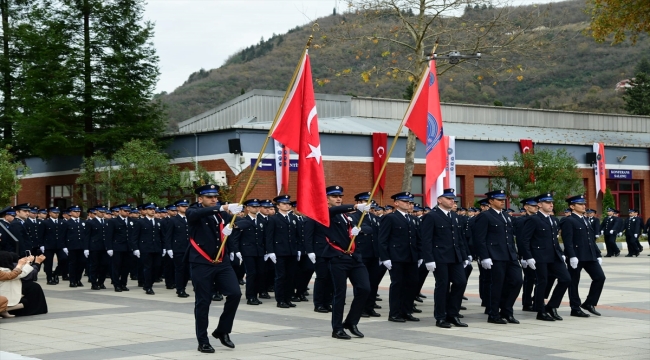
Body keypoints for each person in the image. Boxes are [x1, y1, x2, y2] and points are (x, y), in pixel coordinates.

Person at [187, 184, 243, 352]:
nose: (214, 200)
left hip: (221, 262)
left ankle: (222, 330)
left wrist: (233, 225)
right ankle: (202, 340)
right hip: (201, 263)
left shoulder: (221, 214)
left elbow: (245, 222)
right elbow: (196, 214)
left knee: (235, 293)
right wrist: (223, 207)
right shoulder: (193, 211)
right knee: (204, 301)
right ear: (200, 199)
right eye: (209, 197)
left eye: (215, 197)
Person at [320, 185, 371, 339]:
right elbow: (333, 211)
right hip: (338, 258)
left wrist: (360, 230)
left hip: (354, 258)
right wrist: (355, 206)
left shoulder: (349, 216)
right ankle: (337, 328)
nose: (338, 199)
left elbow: (369, 227)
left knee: (364, 289)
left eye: (340, 196)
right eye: (334, 196)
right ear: (327, 199)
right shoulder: (326, 213)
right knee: (340, 294)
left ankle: (351, 321)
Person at [419, 188, 469, 328]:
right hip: (439, 257)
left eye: (453, 199)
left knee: (460, 282)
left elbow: (459, 239)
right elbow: (426, 239)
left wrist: (464, 256)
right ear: (439, 200)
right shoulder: (432, 216)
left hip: (455, 257)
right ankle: (441, 317)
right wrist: (428, 259)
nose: (452, 201)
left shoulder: (454, 216)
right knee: (443, 286)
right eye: (448, 198)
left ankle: (453, 314)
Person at [519, 193, 571, 322]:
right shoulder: (534, 219)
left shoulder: (553, 219)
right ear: (540, 204)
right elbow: (525, 240)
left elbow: (555, 240)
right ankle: (540, 310)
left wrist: (561, 253)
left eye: (551, 202)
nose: (551, 205)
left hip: (554, 256)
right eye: (548, 203)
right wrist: (528, 257)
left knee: (566, 279)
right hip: (539, 256)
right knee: (542, 282)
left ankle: (552, 306)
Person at [474, 190, 523, 324]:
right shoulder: (485, 216)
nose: (503, 201)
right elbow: (480, 238)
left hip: (510, 255)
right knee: (496, 285)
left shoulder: (506, 216)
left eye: (503, 199)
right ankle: (493, 314)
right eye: (499, 199)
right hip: (495, 256)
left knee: (517, 281)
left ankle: (507, 310)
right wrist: (484, 257)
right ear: (490, 201)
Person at [378, 191, 421, 323]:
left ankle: (406, 311)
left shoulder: (413, 219)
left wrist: (420, 255)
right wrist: (385, 257)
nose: (408, 204)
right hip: (396, 257)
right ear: (396, 203)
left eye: (409, 202)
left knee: (412, 284)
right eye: (405, 202)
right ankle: (395, 313)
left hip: (411, 257)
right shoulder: (390, 217)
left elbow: (417, 239)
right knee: (398, 285)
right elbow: (382, 239)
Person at [560, 195, 606, 318]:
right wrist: (571, 256)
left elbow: (590, 239)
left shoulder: (585, 219)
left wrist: (598, 254)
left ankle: (589, 303)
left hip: (590, 255)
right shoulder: (568, 220)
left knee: (600, 277)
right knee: (573, 282)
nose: (584, 206)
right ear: (572, 206)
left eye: (584, 204)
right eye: (580, 204)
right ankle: (575, 308)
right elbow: (567, 241)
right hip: (577, 256)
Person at [265, 195, 300, 308]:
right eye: (284, 204)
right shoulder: (273, 218)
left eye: (288, 204)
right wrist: (270, 251)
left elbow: (296, 236)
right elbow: (269, 236)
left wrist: (298, 249)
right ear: (278, 206)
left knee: (291, 276)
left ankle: (288, 298)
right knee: (281, 276)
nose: (287, 205)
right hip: (279, 252)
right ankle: (280, 300)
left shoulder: (294, 218)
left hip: (292, 251)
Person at [350, 191, 382, 317]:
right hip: (361, 254)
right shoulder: (353, 216)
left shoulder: (374, 217)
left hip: (374, 254)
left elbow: (379, 235)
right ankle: (360, 308)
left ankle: (370, 307)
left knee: (373, 283)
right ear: (358, 203)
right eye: (364, 201)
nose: (368, 204)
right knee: (362, 284)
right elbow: (362, 230)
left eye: (369, 201)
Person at [231, 199, 265, 305]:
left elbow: (265, 237)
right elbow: (235, 238)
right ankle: (250, 296)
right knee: (251, 274)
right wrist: (236, 251)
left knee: (260, 274)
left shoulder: (262, 221)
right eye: (253, 207)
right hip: (247, 251)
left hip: (259, 251)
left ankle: (256, 294)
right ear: (248, 208)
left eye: (257, 207)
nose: (256, 208)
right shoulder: (242, 221)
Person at [130, 203, 164, 295]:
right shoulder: (140, 222)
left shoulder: (158, 222)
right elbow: (134, 236)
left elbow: (162, 236)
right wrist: (135, 248)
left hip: (157, 248)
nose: (152, 211)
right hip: (145, 248)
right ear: (145, 211)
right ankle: (148, 286)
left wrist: (164, 248)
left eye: (153, 209)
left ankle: (149, 283)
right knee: (147, 268)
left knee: (157, 267)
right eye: (150, 209)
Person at [0, 251, 48, 316]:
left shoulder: (5, 269)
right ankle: (4, 310)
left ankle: (4, 311)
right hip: (4, 297)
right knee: (24, 301)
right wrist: (26, 263)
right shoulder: (4, 270)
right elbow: (16, 274)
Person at [163, 199, 191, 297]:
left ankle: (183, 287)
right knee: (180, 270)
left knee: (187, 270)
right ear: (178, 208)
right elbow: (168, 235)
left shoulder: (190, 218)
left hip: (189, 248)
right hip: (178, 248)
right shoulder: (173, 220)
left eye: (186, 206)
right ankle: (180, 289)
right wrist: (169, 248)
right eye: (183, 206)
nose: (185, 208)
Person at [515, 198, 538, 312]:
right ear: (526, 207)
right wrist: (523, 256)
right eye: (532, 206)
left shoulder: (538, 219)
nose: (535, 207)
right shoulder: (521, 221)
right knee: (530, 279)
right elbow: (521, 240)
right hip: (528, 255)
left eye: (536, 206)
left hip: (539, 254)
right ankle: (527, 302)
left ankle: (537, 299)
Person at [86, 206, 111, 290]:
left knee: (104, 266)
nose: (103, 213)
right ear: (96, 212)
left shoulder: (107, 222)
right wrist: (86, 248)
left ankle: (101, 282)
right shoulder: (91, 222)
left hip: (105, 247)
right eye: (101, 212)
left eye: (104, 212)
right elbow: (87, 236)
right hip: (95, 247)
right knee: (94, 266)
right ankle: (94, 283)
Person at [108, 204, 132, 292]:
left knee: (126, 267)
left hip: (128, 248)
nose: (127, 212)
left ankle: (123, 284)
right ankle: (116, 285)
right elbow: (109, 235)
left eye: (128, 211)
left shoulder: (131, 220)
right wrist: (109, 248)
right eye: (125, 211)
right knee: (116, 267)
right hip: (117, 247)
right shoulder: (113, 221)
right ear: (120, 211)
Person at [62, 205, 86, 287]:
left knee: (82, 263)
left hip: (82, 246)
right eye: (75, 211)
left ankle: (78, 279)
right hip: (71, 246)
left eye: (79, 211)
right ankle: (72, 281)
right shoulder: (66, 223)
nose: (77, 213)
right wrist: (64, 247)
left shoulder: (83, 222)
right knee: (73, 264)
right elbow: (63, 236)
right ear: (71, 213)